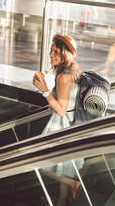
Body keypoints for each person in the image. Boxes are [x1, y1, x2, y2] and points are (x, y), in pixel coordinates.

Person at [33, 34, 83, 205]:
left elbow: (61, 110)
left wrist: (45, 91)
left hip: (62, 126)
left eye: (56, 51)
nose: (51, 54)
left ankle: (72, 184)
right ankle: (64, 199)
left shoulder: (63, 76)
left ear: (65, 54)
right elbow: (67, 98)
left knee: (38, 163)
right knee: (64, 170)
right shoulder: (73, 69)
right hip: (72, 125)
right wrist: (52, 96)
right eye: (51, 50)